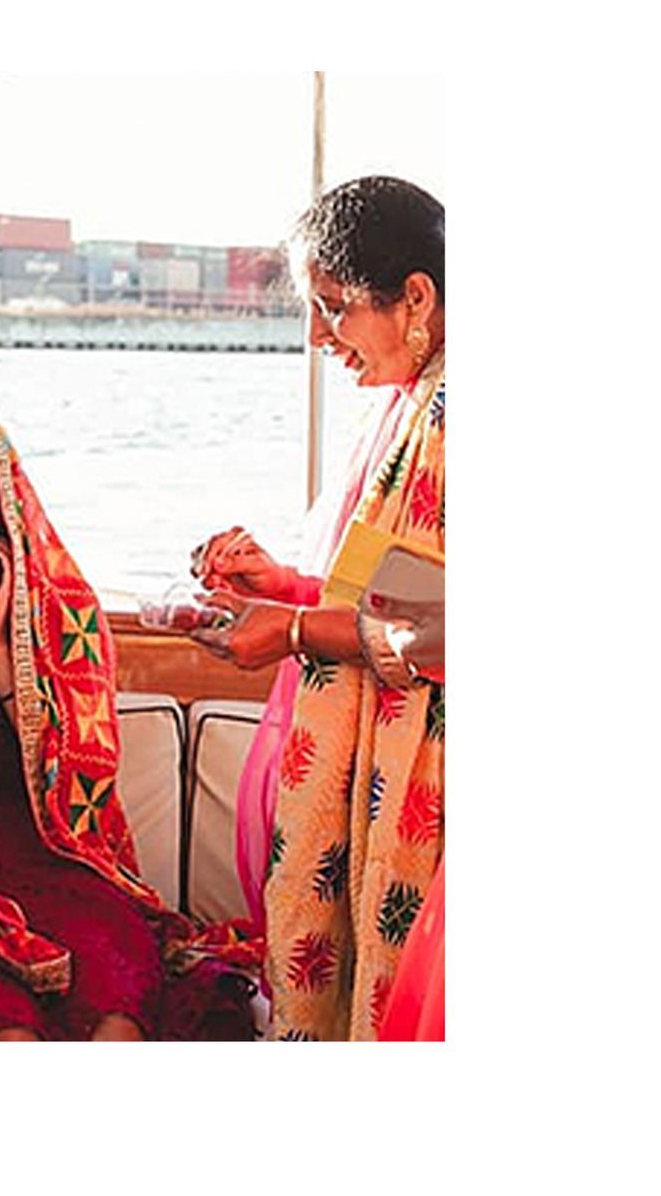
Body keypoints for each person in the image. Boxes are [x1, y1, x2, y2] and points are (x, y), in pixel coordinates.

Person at [0, 392, 262, 1040]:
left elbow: (76, 785)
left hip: (52, 868)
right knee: (12, 1035)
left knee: (116, 1019)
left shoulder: (62, 614)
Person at [188, 175, 445, 1041]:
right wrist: (285, 586)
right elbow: (393, 591)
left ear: (415, 296)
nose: (317, 336)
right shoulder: (417, 407)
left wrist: (295, 632)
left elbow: (444, 625)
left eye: (333, 306)